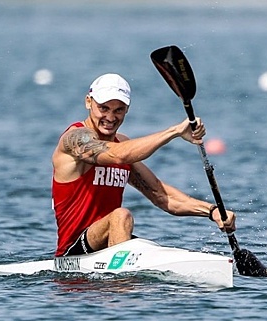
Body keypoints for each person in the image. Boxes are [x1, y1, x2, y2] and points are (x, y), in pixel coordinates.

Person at [51, 73, 236, 257]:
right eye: (103, 108)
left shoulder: (122, 142)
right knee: (121, 216)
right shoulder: (75, 139)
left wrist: (213, 212)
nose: (110, 117)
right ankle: (121, 282)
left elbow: (160, 195)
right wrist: (174, 132)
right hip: (73, 251)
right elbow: (117, 155)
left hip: (109, 244)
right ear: (88, 102)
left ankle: (123, 277)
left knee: (153, 248)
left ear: (127, 109)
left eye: (118, 110)